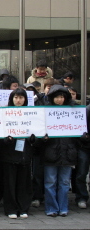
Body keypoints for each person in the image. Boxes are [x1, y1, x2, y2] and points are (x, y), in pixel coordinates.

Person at [36, 85, 78, 217]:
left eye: (62, 97)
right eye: (57, 97)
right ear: (52, 98)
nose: (60, 100)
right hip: (51, 153)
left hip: (67, 153)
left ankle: (63, 207)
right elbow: (39, 136)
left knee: (65, 182)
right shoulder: (45, 113)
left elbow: (78, 134)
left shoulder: (73, 113)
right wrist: (44, 138)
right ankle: (51, 208)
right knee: (50, 182)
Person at [1, 88, 34, 219]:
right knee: (9, 183)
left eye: (21, 98)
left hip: (25, 155)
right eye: (16, 98)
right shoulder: (5, 113)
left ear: (25, 99)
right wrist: (6, 140)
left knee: (24, 183)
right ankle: (10, 209)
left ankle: (23, 208)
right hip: (9, 155)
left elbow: (36, 133)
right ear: (11, 99)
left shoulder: (31, 114)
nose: (18, 100)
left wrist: (33, 139)